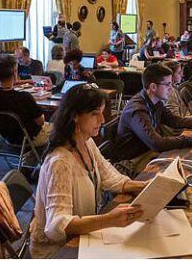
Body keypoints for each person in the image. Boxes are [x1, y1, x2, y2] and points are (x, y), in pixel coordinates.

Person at [29, 84, 147, 258]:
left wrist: (145, 185)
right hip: (57, 250)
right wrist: (110, 219)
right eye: (94, 114)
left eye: (102, 112)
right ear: (75, 116)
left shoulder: (86, 142)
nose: (102, 120)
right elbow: (56, 226)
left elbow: (109, 176)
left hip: (81, 238)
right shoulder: (60, 162)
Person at [113, 64, 192, 173]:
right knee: (190, 167)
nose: (171, 87)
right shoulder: (137, 110)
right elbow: (157, 144)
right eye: (168, 84)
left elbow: (175, 121)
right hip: (136, 160)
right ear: (153, 87)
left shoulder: (155, 101)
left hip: (149, 151)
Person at [0, 54, 51, 147]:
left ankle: (31, 156)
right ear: (14, 72)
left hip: (4, 137)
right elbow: (40, 122)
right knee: (58, 128)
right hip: (28, 139)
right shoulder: (24, 97)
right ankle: (39, 157)